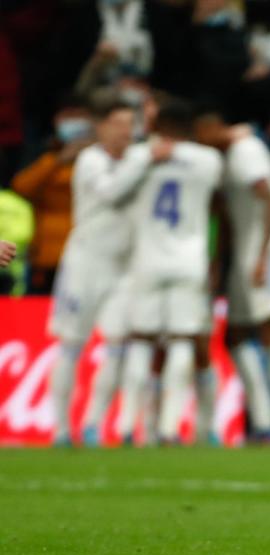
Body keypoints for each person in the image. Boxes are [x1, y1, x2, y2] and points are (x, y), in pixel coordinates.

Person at [194, 109, 270, 445]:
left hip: (269, 253)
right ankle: (265, 422)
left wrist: (262, 255)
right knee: (236, 336)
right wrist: (218, 263)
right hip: (248, 255)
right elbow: (226, 218)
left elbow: (269, 198)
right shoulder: (226, 157)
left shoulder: (245, 151)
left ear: (214, 125)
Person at [116, 101, 223, 446]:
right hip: (189, 260)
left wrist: (150, 157)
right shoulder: (208, 159)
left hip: (147, 257)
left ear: (157, 124)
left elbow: (114, 194)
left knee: (142, 340)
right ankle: (168, 428)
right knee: (181, 340)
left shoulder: (138, 156)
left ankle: (127, 427)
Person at [47, 99, 146, 447]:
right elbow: (111, 192)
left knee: (117, 345)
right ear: (101, 127)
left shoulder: (136, 161)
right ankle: (59, 427)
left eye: (129, 124)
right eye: (118, 123)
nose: (125, 131)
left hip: (122, 268)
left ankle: (93, 423)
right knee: (71, 345)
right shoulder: (92, 160)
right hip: (84, 265)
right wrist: (145, 159)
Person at [11, 97, 93, 294]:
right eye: (67, 115)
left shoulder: (102, 156)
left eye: (78, 115)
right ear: (56, 120)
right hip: (48, 254)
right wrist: (58, 160)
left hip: (89, 251)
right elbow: (21, 187)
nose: (73, 121)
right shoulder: (43, 152)